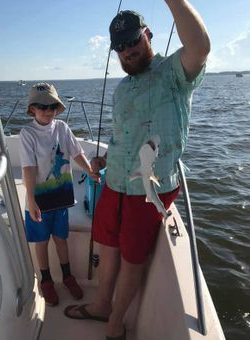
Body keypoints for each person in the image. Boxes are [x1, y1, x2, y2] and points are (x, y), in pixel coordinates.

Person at [64, 1, 210, 339]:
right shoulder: (122, 89)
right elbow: (121, 136)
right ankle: (101, 306)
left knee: (132, 257)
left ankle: (115, 324)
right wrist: (105, 160)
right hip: (114, 180)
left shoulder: (174, 72)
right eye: (120, 46)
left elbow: (200, 47)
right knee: (109, 247)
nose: (128, 50)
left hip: (149, 191)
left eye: (133, 40)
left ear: (148, 35)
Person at [19, 83, 99, 306]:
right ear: (32, 109)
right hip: (38, 203)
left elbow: (76, 153)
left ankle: (67, 276)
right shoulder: (27, 134)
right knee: (42, 242)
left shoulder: (62, 128)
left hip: (61, 198)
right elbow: (28, 169)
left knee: (61, 239)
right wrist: (32, 200)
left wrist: (90, 171)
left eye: (52, 105)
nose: (48, 110)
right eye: (42, 106)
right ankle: (46, 281)